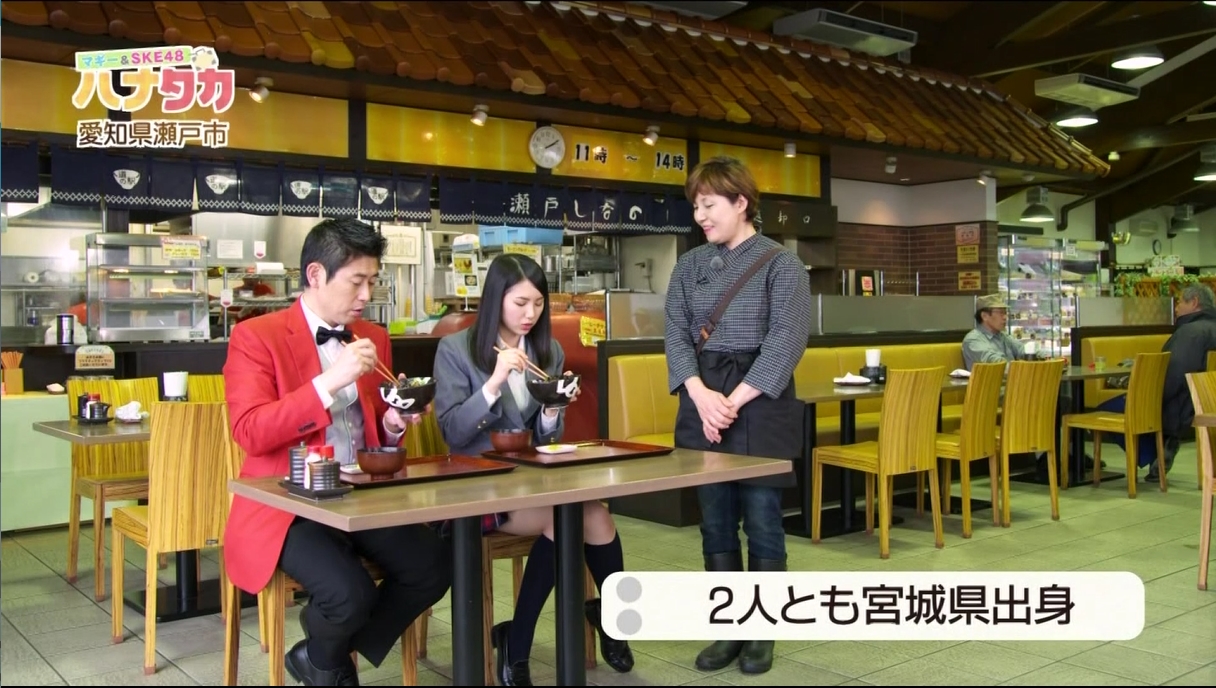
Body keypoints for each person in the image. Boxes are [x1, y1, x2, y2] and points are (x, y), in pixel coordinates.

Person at [223, 218, 451, 687]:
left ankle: (321, 654)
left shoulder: (372, 337)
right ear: (315, 275)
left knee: (434, 566)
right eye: (356, 281)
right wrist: (330, 381)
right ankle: (332, 662)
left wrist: (393, 424)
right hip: (289, 503)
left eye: (373, 281)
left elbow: (375, 428)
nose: (366, 294)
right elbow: (250, 432)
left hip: (359, 495)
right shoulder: (256, 336)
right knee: (350, 594)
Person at [432, 253, 633, 687]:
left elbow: (547, 438)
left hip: (530, 478)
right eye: (520, 303)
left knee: (598, 516)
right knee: (567, 519)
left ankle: (612, 620)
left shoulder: (548, 351)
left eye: (538, 304)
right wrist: (493, 382)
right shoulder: (456, 349)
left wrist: (553, 407)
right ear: (496, 300)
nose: (530, 314)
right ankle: (518, 642)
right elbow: (452, 431)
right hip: (475, 486)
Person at [664, 156, 812, 676]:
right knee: (715, 520)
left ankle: (762, 630)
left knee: (764, 520)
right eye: (696, 207)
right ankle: (728, 625)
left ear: (741, 202)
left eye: (709, 205)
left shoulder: (782, 265)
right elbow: (676, 334)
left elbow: (786, 340)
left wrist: (732, 401)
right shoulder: (689, 266)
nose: (700, 217)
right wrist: (700, 394)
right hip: (702, 395)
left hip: (760, 399)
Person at [1097, 283, 1216, 482]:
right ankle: (1162, 449)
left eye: (1180, 302)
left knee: (1108, 409)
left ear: (1194, 302)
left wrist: (1147, 396)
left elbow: (1173, 374)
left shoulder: (1190, 333)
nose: (1176, 308)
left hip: (1179, 407)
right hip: (1205, 402)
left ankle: (1156, 452)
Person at [962, 294, 1026, 371]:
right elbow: (997, 364)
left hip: (1012, 377)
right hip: (992, 379)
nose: (1005, 317)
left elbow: (1023, 350)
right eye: (1001, 313)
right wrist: (1024, 368)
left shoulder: (1003, 336)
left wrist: (1038, 355)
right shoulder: (973, 340)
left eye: (1005, 313)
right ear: (984, 316)